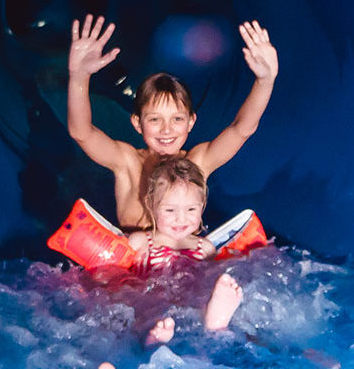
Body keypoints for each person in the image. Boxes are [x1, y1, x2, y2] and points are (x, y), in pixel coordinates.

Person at [65, 14, 279, 230]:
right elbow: (81, 133)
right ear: (137, 123)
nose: (166, 130)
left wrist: (265, 80)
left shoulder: (199, 162)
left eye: (177, 119)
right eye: (155, 119)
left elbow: (241, 129)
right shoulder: (127, 162)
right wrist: (79, 76)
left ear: (191, 122)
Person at [78, 156, 245, 369]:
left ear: (203, 205)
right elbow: (118, 277)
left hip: (186, 307)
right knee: (140, 309)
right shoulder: (141, 241)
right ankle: (135, 366)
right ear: (151, 205)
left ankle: (213, 321)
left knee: (199, 303)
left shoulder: (205, 247)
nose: (181, 219)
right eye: (170, 210)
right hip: (151, 305)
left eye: (191, 210)